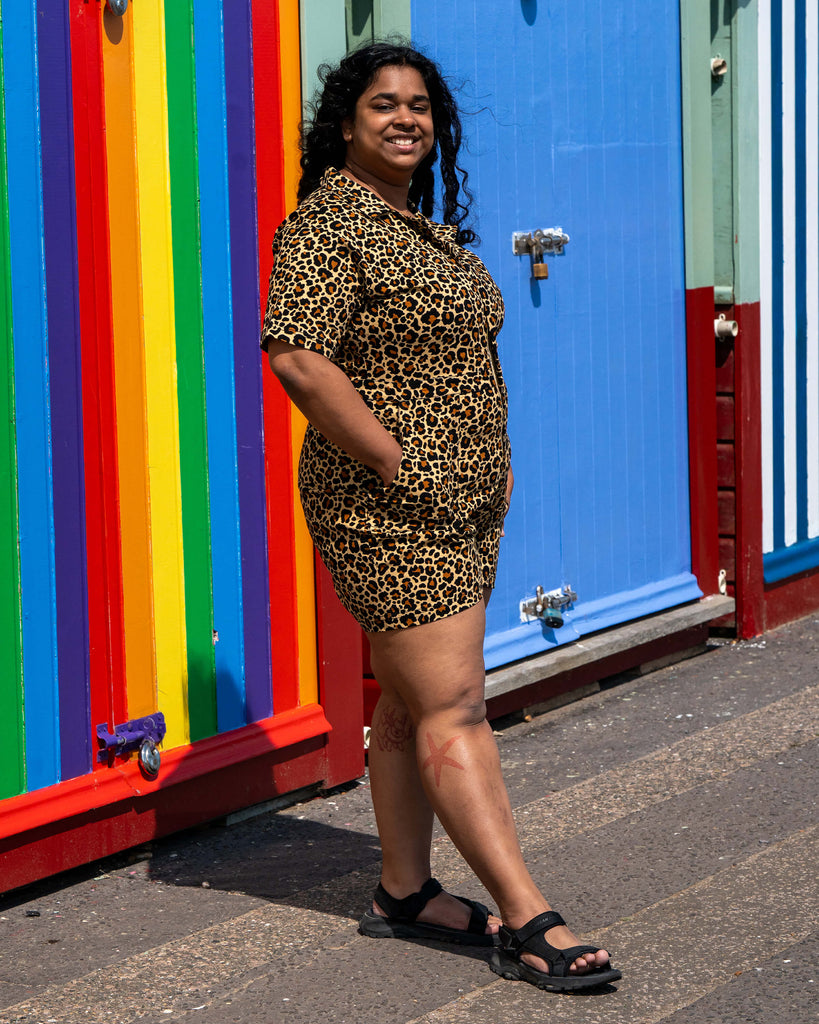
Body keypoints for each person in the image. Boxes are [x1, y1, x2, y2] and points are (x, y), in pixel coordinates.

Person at [261, 41, 621, 993]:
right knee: (454, 706)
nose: (405, 119)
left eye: (419, 105)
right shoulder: (328, 226)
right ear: (346, 124)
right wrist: (394, 460)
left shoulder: (413, 226)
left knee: (408, 697)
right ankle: (529, 917)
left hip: (458, 500)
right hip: (389, 505)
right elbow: (297, 355)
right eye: (383, 104)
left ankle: (403, 891)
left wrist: (471, 468)